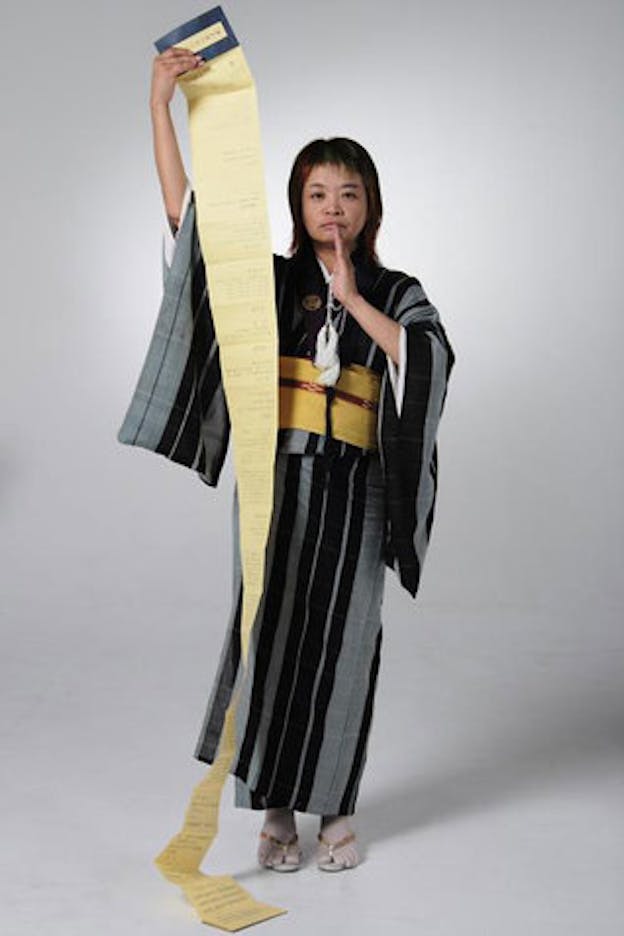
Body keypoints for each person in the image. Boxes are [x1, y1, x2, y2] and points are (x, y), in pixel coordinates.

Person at [120, 45, 455, 874]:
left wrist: (352, 302)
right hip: (279, 485)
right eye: (316, 194)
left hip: (359, 490)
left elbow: (428, 359)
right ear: (297, 205)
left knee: (347, 642)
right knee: (267, 636)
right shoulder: (269, 283)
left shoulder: (398, 289)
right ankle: (274, 808)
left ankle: (335, 805)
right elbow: (188, 226)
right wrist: (161, 107)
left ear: (370, 204)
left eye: (348, 194)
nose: (332, 208)